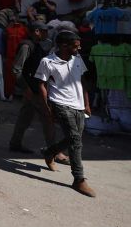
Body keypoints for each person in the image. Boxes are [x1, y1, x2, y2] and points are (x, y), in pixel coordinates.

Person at [36, 31, 96, 197]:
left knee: (74, 138)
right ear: (64, 46)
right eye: (76, 46)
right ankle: (79, 179)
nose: (79, 48)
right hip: (60, 103)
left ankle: (50, 152)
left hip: (78, 105)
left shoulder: (77, 59)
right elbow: (41, 84)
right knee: (75, 140)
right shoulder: (47, 62)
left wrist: (87, 103)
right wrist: (47, 107)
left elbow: (81, 81)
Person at [9, 22, 60, 154]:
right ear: (37, 31)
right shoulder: (27, 46)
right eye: (44, 31)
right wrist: (27, 89)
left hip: (34, 88)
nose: (47, 34)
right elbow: (16, 69)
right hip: (33, 90)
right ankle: (54, 151)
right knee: (48, 118)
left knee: (25, 117)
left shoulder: (36, 45)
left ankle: (15, 143)